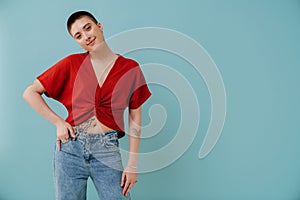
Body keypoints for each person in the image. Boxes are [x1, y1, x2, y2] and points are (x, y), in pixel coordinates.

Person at [23, 10, 151, 200]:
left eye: (87, 28)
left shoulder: (130, 68)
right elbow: (30, 92)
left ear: (99, 26)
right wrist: (58, 122)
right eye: (78, 36)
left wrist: (132, 163)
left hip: (107, 149)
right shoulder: (72, 63)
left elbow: (135, 117)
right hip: (70, 149)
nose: (86, 37)